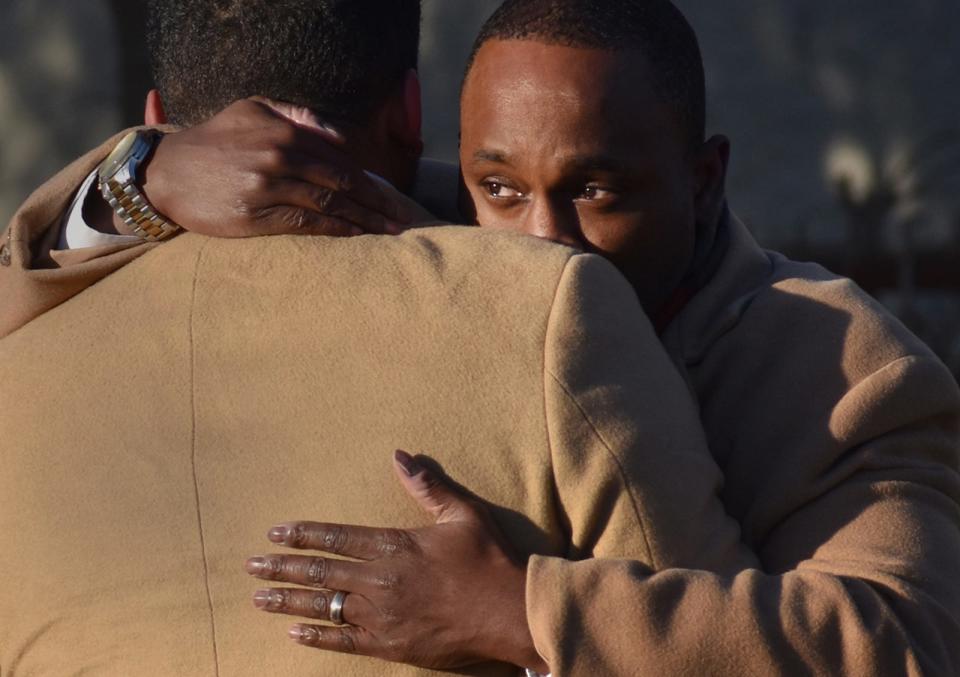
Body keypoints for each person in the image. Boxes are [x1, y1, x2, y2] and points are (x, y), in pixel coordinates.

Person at [3, 0, 960, 674]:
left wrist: (522, 609)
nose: (543, 240)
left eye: (599, 191)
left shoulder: (841, 363)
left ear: (705, 179)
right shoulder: (438, 248)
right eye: (498, 189)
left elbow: (912, 643)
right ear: (435, 147)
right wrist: (140, 178)